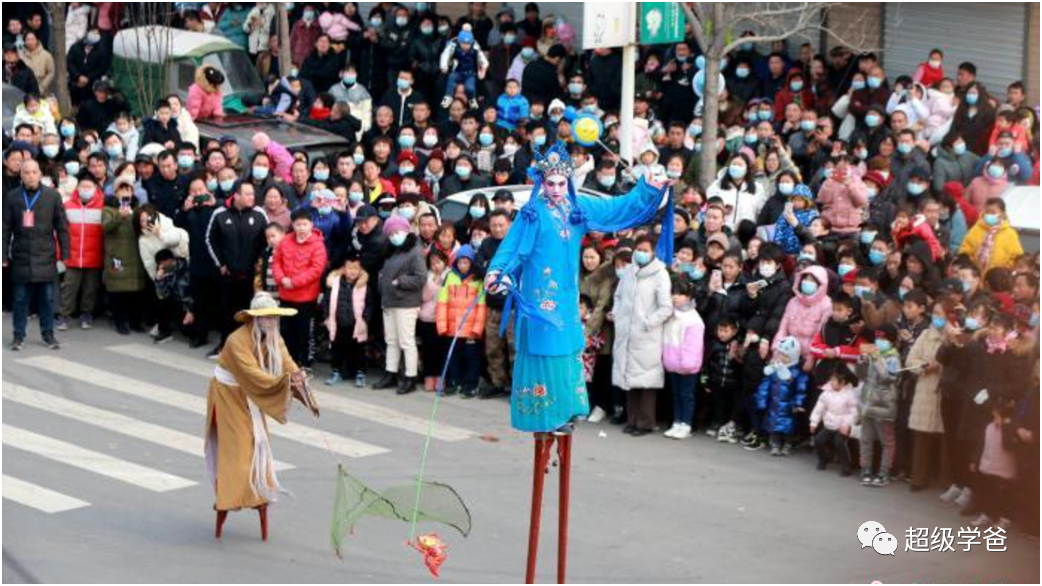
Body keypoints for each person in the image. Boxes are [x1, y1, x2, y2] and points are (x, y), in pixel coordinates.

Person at [205, 293, 312, 542]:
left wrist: (298, 378)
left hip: (250, 393)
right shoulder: (236, 340)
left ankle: (258, 493)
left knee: (258, 444)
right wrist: (283, 383)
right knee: (238, 449)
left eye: (274, 316)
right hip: (228, 394)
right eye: (266, 317)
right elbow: (253, 375)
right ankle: (230, 498)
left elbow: (286, 361)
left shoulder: (274, 336)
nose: (271, 321)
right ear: (255, 318)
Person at [2, 159, 69, 351]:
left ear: (40, 174)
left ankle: (48, 335)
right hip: (21, 255)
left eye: (33, 172)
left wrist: (65, 252)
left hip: (46, 255)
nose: (30, 176)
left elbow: (62, 227)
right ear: (21, 175)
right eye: (26, 172)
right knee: (20, 299)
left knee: (47, 299)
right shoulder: (12, 197)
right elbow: (5, 228)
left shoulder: (52, 196)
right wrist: (3, 254)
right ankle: (18, 336)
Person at [613, 236, 673, 437]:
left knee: (646, 380)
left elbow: (666, 307)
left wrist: (648, 323)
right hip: (627, 333)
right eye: (638, 248)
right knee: (629, 379)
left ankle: (645, 422)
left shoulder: (660, 274)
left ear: (653, 252)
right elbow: (619, 296)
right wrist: (618, 314)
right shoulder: (629, 272)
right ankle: (632, 420)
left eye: (645, 249)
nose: (641, 252)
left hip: (647, 336)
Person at [373, 216, 428, 395]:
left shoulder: (415, 251)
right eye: (391, 233)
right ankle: (391, 373)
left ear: (406, 231)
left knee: (406, 341)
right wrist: (382, 281)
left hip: (406, 303)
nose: (394, 236)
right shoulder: (392, 251)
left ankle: (410, 377)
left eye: (397, 232)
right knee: (391, 340)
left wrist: (399, 282)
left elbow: (420, 278)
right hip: (389, 301)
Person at [273, 208, 329, 367]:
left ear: (311, 225)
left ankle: (304, 364)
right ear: (293, 225)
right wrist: (281, 278)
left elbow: (316, 270)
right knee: (286, 331)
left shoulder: (318, 245)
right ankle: (288, 363)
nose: (301, 228)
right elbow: (277, 261)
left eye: (305, 224)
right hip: (285, 295)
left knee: (304, 333)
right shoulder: (285, 241)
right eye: (298, 224)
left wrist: (294, 282)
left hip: (306, 298)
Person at [436, 244, 487, 399]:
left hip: (470, 330)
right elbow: (442, 302)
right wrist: (442, 325)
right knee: (453, 357)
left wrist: (477, 329)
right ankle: (453, 382)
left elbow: (481, 305)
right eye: (460, 262)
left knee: (472, 359)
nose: (463, 265)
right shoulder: (450, 277)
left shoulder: (478, 280)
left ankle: (470, 385)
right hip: (453, 328)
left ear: (472, 263)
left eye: (466, 262)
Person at [857, 324, 902, 487]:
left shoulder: (893, 357)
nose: (879, 341)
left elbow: (888, 378)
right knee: (866, 440)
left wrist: (876, 359)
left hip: (884, 406)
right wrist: (861, 361)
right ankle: (866, 469)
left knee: (887, 442)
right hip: (867, 404)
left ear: (890, 340)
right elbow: (861, 375)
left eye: (883, 338)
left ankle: (884, 472)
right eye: (877, 338)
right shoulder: (872, 354)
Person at [661, 275, 705, 440]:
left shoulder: (693, 318)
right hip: (673, 363)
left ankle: (686, 424)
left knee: (687, 395)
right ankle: (677, 422)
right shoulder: (671, 315)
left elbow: (692, 345)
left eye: (680, 293)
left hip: (687, 365)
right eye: (673, 293)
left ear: (689, 296)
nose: (675, 297)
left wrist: (687, 363)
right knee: (676, 394)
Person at [324, 252, 372, 389]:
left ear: (360, 270)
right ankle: (336, 371)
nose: (352, 271)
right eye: (349, 268)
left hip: (357, 325)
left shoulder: (364, 286)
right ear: (344, 269)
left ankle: (360, 373)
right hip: (337, 323)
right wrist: (327, 317)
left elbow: (370, 304)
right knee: (336, 349)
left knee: (358, 350)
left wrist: (365, 320)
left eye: (356, 268)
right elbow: (326, 301)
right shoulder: (335, 283)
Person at [756, 337, 810, 457]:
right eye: (780, 354)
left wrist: (798, 403)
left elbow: (801, 389)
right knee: (773, 425)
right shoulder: (774, 368)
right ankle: (774, 444)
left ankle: (787, 444)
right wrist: (761, 400)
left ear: (793, 357)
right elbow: (765, 385)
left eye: (785, 356)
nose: (781, 358)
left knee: (789, 427)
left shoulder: (797, 372)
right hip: (774, 405)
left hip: (789, 407)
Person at [810, 364, 860, 476]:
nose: (831, 382)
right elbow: (818, 409)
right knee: (818, 440)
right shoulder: (826, 393)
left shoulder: (849, 395)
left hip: (842, 426)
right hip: (829, 425)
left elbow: (854, 413)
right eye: (831, 380)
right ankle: (823, 460)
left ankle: (846, 466)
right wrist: (813, 422)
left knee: (839, 443)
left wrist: (847, 425)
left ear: (842, 383)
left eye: (834, 380)